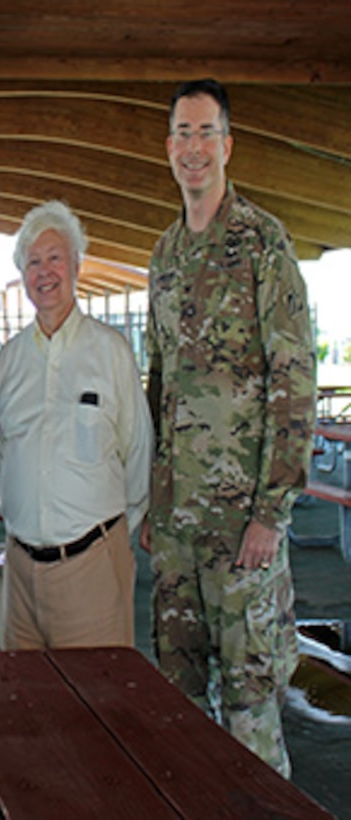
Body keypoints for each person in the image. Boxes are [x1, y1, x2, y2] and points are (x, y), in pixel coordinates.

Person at [141, 78, 316, 777]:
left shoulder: (262, 244)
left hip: (243, 531)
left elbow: (293, 383)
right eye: (181, 133)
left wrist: (271, 513)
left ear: (227, 144)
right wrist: (156, 503)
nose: (192, 149)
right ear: (168, 147)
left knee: (249, 719)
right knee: (180, 715)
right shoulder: (162, 256)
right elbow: (160, 388)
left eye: (204, 133)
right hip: (178, 534)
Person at [0, 201, 153, 650]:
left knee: (97, 709)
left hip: (92, 565)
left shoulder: (111, 351)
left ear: (77, 264)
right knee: (24, 706)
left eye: (55, 257)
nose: (45, 272)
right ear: (22, 276)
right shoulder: (9, 361)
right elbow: (0, 452)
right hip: (20, 573)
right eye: (33, 262)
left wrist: (114, 539)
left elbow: (137, 449)